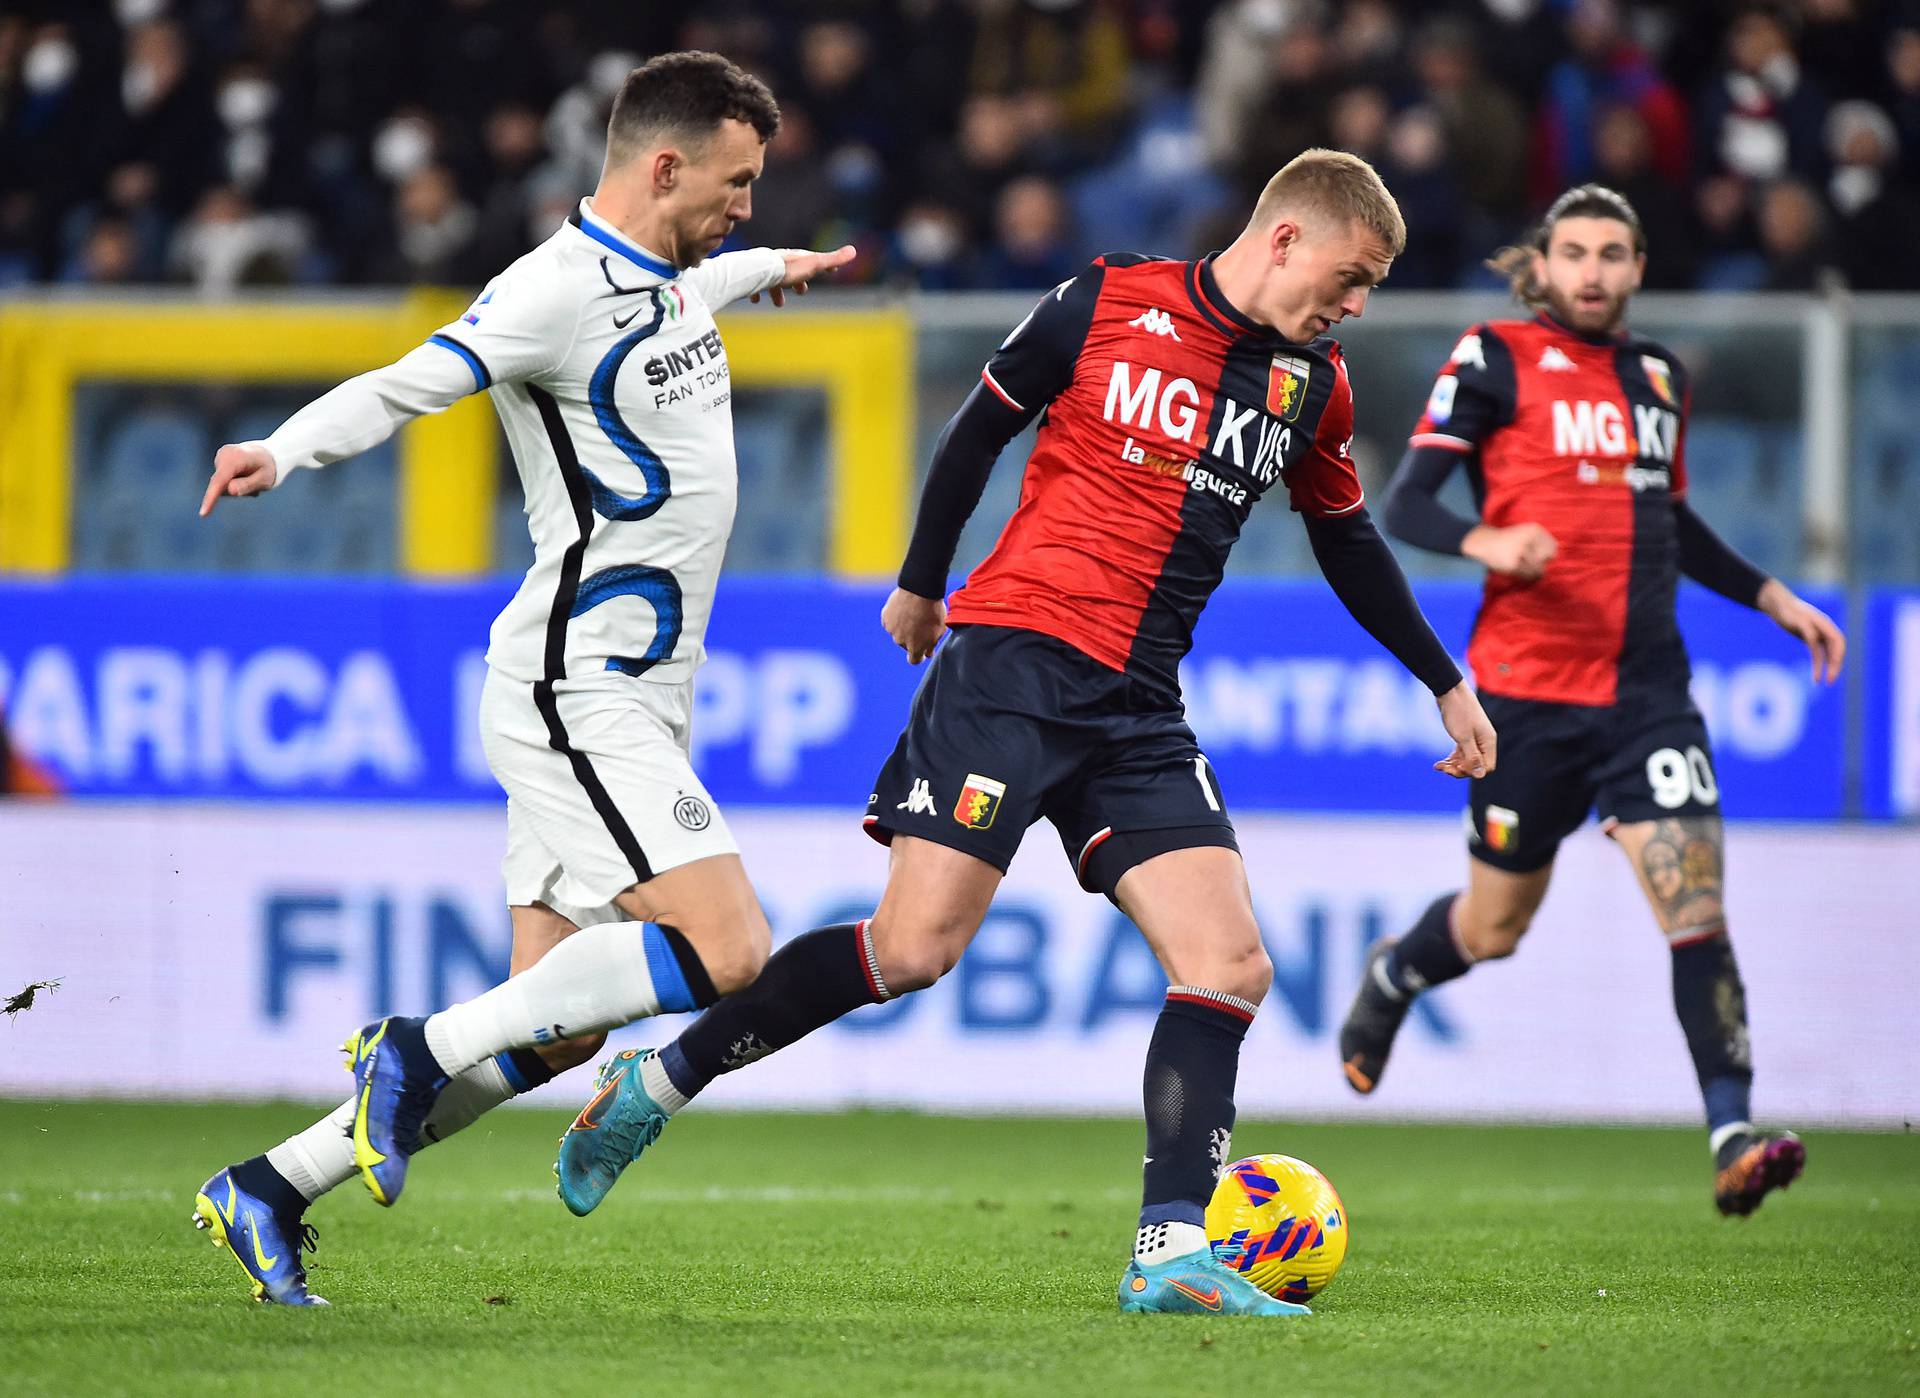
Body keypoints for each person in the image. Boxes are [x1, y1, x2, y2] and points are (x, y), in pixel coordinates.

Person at [551, 149, 1497, 1318]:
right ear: (1289, 236)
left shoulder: (1316, 388)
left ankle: (1168, 1256)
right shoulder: (1105, 299)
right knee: (911, 953)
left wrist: (1442, 679)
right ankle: (664, 1075)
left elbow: (1348, 541)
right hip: (1015, 662)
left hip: (1141, 704)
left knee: (1232, 965)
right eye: (1352, 278)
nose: (1356, 306)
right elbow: (978, 428)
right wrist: (919, 582)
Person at [188, 50, 854, 1307]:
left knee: (558, 1029)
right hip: (576, 683)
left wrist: (781, 270)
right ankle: (415, 1046)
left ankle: (268, 1187)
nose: (750, 206)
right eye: (739, 183)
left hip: (644, 690)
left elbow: (705, 279)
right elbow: (412, 380)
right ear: (665, 166)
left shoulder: (678, 279)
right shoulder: (548, 292)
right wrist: (282, 447)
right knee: (727, 947)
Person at [1339, 183, 1845, 1218]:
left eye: (1613, 253)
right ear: (1547, 262)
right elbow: (1408, 499)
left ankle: (1731, 1135)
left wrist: (1772, 595)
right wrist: (1486, 540)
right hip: (1526, 701)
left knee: (1694, 909)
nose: (1593, 271)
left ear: (1638, 267)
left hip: (1649, 696)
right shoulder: (1493, 358)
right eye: (1574, 252)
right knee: (1492, 929)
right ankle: (1396, 977)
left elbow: (1674, 519)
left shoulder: (1661, 378)